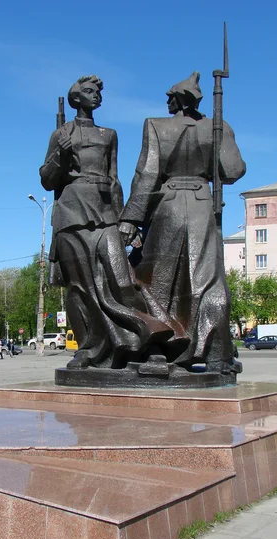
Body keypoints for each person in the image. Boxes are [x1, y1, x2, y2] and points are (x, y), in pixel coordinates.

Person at [39, 75, 174, 370]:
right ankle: (89, 349)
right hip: (71, 214)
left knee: (123, 281)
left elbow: (114, 179)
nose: (96, 96)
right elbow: (48, 182)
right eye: (89, 91)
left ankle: (149, 340)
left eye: (98, 92)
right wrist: (60, 154)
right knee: (79, 288)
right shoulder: (60, 134)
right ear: (76, 99)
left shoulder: (108, 134)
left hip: (104, 214)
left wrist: (126, 219)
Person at [119, 72, 246, 374]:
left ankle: (157, 350)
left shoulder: (157, 126)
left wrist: (130, 218)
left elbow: (147, 175)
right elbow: (233, 170)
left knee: (155, 280)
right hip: (203, 206)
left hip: (168, 207)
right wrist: (220, 134)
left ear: (175, 101)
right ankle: (217, 355)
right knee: (208, 281)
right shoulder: (217, 127)